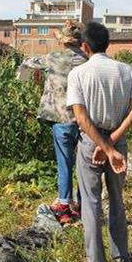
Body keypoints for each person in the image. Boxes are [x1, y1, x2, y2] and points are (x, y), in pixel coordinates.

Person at [67, 22, 132, 262]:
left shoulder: (78, 74)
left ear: (85, 46)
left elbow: (80, 116)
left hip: (91, 144)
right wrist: (112, 146)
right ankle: (122, 256)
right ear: (107, 44)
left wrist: (102, 146)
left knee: (91, 204)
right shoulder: (127, 70)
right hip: (118, 144)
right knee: (117, 200)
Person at [18, 20, 87, 224]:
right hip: (84, 122)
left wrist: (25, 63)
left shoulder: (54, 57)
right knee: (83, 165)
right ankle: (83, 207)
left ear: (63, 41)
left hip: (61, 119)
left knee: (64, 164)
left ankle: (64, 207)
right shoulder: (86, 61)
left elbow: (30, 62)